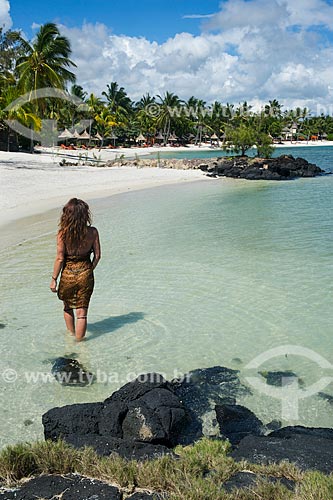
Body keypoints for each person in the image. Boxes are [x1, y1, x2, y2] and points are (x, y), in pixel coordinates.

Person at [50, 198, 101, 341]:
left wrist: (54, 279)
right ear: (84, 215)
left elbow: (60, 258)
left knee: (67, 307)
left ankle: (71, 337)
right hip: (86, 274)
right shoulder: (93, 232)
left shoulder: (62, 234)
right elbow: (97, 256)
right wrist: (89, 269)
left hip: (68, 275)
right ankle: (80, 345)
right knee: (82, 313)